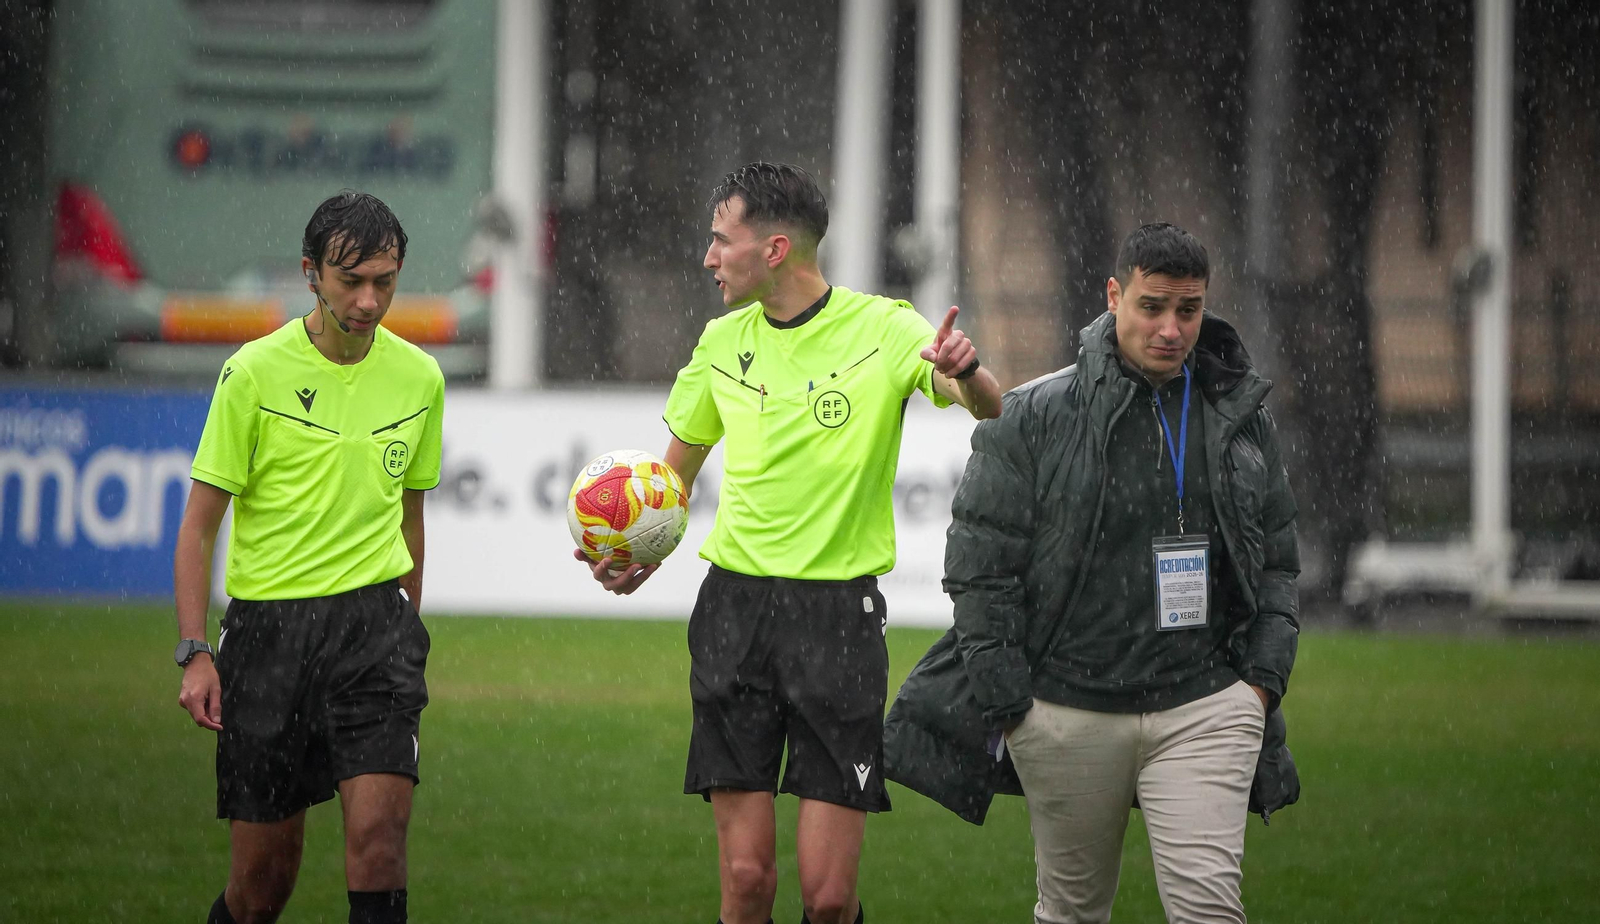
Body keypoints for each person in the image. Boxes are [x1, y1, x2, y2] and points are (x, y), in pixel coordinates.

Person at [575, 162, 1002, 924]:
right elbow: (669, 483)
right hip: (734, 616)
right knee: (745, 881)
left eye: (720, 240)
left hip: (837, 622)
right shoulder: (719, 342)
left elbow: (991, 410)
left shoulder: (885, 329)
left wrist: (966, 374)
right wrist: (640, 555)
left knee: (830, 900)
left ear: (774, 249)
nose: (708, 258)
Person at [884, 222, 1301, 923]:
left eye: (1189, 309)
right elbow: (979, 572)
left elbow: (1279, 560)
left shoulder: (1238, 416)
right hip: (1065, 712)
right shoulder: (1034, 414)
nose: (1171, 328)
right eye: (1152, 306)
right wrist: (1014, 706)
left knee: (1211, 910)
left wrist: (1258, 686)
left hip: (1207, 707)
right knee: (1073, 911)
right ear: (1114, 296)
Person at [173, 191, 445, 924]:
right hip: (269, 640)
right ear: (310, 273)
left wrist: (406, 628)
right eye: (350, 279)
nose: (367, 299)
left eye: (384, 281)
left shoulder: (421, 378)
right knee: (262, 887)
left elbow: (411, 518)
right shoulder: (253, 374)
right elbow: (199, 526)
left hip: (375, 638)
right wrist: (196, 650)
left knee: (380, 845)